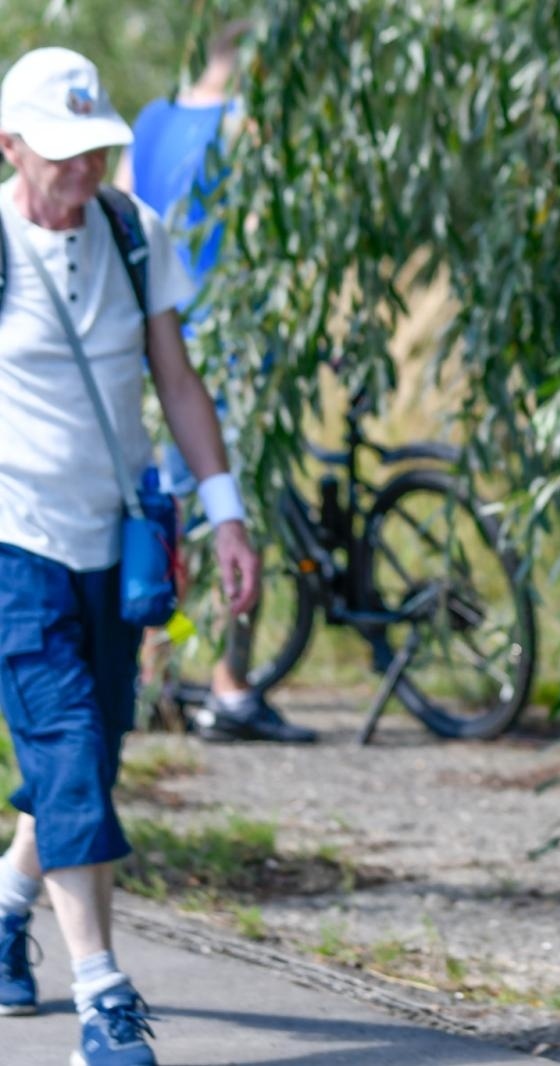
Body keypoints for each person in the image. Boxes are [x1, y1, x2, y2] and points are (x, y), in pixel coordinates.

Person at [0, 46, 261, 1065]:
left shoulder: (130, 230)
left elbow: (180, 385)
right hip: (14, 543)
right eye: (60, 155)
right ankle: (105, 998)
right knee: (65, 746)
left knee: (93, 756)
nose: (82, 173)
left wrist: (227, 515)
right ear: (10, 145)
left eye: (94, 151)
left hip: (114, 541)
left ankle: (7, 908)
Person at [111, 20, 314, 744]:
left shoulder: (153, 119)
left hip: (158, 345)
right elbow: (278, 231)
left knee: (167, 519)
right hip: (228, 352)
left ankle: (154, 675)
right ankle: (230, 686)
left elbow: (124, 212)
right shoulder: (248, 125)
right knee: (236, 514)